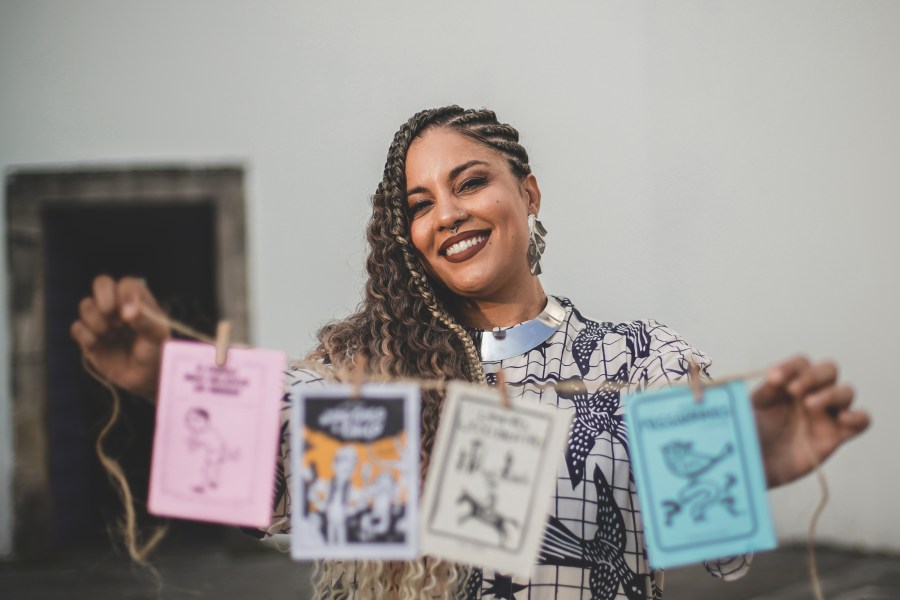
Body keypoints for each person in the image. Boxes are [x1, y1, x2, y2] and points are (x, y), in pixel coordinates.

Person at [71, 106, 870, 599]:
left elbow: (718, 550)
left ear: (528, 192)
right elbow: (274, 455)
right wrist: (165, 383)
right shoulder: (371, 370)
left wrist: (748, 461)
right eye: (420, 205)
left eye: (470, 182)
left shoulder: (642, 360)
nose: (447, 214)